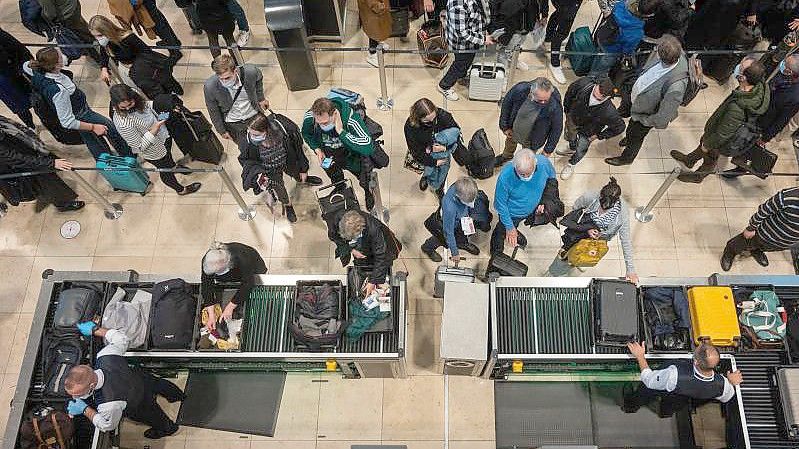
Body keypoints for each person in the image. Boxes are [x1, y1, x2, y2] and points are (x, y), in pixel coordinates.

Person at [65, 322, 184, 439]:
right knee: (160, 384)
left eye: (79, 394)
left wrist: (85, 410)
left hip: (138, 403)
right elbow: (121, 338)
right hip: (140, 378)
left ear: (91, 385)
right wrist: (95, 330)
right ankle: (178, 395)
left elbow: (108, 426)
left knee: (155, 416)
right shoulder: (105, 355)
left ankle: (169, 429)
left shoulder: (108, 405)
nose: (76, 397)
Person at [671, 58, 769, 183]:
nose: (738, 66)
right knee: (703, 143)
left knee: (710, 156)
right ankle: (690, 160)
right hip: (720, 128)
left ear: (743, 78)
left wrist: (708, 144)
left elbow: (722, 134)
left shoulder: (737, 108)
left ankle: (698, 176)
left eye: (741, 67)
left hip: (720, 139)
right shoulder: (757, 85)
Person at [24, 48, 133, 160]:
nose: (63, 55)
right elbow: (67, 122)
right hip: (81, 114)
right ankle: (128, 157)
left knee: (92, 139)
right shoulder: (59, 91)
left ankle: (108, 161)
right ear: (56, 65)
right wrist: (93, 126)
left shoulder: (36, 69)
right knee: (109, 129)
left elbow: (25, 65)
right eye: (60, 56)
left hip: (79, 110)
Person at [606, 34, 688, 166]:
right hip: (636, 100)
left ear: (663, 57)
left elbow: (663, 117)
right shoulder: (672, 53)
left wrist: (645, 121)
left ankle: (626, 158)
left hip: (645, 115)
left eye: (657, 51)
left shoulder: (676, 87)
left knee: (636, 137)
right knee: (631, 130)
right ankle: (629, 136)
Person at [109, 85, 202, 196]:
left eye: (130, 104)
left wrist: (166, 107)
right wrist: (155, 128)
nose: (128, 108)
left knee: (168, 157)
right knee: (165, 170)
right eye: (123, 108)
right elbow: (139, 146)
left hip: (163, 135)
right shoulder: (123, 123)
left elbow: (147, 105)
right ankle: (181, 190)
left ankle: (174, 167)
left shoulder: (134, 93)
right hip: (153, 150)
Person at [546, 177, 638, 282]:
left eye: (607, 208)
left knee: (585, 259)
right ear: (600, 195)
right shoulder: (590, 197)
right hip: (578, 234)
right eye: (602, 205)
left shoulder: (622, 214)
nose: (603, 209)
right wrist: (587, 228)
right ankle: (553, 273)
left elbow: (626, 241)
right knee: (564, 256)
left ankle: (575, 267)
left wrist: (630, 269)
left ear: (616, 201)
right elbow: (576, 209)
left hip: (597, 241)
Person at [723, 55, 799, 178]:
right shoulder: (783, 75)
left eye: (786, 64)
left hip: (764, 122)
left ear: (791, 72)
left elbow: (782, 120)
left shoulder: (795, 97)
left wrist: (766, 138)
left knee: (748, 144)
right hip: (757, 109)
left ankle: (740, 168)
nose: (782, 63)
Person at [238, 114, 322, 223]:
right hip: (270, 171)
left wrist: (303, 169)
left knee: (298, 174)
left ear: (266, 130)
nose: (252, 136)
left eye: (256, 134)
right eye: (250, 132)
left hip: (288, 161)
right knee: (280, 189)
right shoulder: (248, 143)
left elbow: (298, 149)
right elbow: (248, 162)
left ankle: (301, 179)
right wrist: (259, 176)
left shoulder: (282, 130)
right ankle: (288, 205)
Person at [623, 341, 742, 415]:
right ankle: (664, 414)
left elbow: (649, 380)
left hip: (667, 389)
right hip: (681, 401)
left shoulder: (674, 374)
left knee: (644, 393)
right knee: (670, 408)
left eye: (699, 348)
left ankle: (631, 406)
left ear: (695, 361)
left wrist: (640, 356)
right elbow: (726, 398)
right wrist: (729, 381)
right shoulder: (724, 386)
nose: (699, 345)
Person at [301, 97, 376, 209]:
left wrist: (341, 131)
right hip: (329, 156)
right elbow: (306, 134)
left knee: (365, 178)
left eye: (326, 122)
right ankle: (340, 186)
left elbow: (368, 145)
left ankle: (368, 193)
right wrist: (317, 149)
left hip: (352, 157)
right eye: (319, 123)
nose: (323, 126)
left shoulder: (350, 119)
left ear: (335, 113)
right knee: (335, 176)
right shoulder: (311, 117)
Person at [0, 115, 84, 212]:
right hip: (19, 165)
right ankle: (63, 204)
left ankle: (60, 200)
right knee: (46, 182)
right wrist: (50, 163)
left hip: (25, 151)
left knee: (48, 177)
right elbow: (16, 158)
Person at [89, 15, 183, 99]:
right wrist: (104, 68)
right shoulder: (106, 42)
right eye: (95, 36)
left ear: (107, 31)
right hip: (128, 69)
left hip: (144, 65)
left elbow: (146, 51)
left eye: (100, 35)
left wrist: (137, 68)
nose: (98, 39)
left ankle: (172, 93)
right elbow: (104, 53)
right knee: (147, 90)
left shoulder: (128, 37)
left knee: (162, 81)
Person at [557, 76, 625, 179]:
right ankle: (571, 147)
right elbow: (570, 92)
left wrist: (599, 135)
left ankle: (571, 164)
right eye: (597, 90)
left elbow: (620, 127)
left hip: (588, 132)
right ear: (596, 84)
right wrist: (567, 111)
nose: (598, 95)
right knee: (570, 136)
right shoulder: (583, 84)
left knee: (581, 149)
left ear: (608, 97)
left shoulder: (610, 112)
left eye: (602, 96)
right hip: (573, 119)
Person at [491, 148, 557, 255]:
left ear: (535, 163)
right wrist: (510, 227)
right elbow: (500, 205)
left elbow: (552, 179)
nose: (526, 177)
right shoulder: (505, 177)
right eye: (522, 174)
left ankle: (514, 230)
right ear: (514, 166)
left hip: (532, 209)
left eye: (529, 173)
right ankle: (496, 248)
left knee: (515, 225)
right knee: (502, 228)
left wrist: (545, 200)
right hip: (512, 214)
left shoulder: (543, 163)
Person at [721, 187, 799, 271]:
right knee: (742, 243)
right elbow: (764, 210)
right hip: (764, 234)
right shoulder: (787, 197)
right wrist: (751, 227)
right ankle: (729, 252)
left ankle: (756, 250)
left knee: (765, 247)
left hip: (785, 242)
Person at [496, 77, 563, 166]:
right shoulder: (519, 90)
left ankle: (522, 166)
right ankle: (506, 156)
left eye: (546, 100)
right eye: (540, 100)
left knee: (527, 158)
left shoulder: (554, 104)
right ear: (531, 93)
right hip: (513, 131)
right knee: (510, 144)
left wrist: (548, 150)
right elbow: (506, 106)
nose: (543, 103)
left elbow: (557, 128)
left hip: (533, 139)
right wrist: (505, 127)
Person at [421, 177, 492, 261]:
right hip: (448, 223)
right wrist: (455, 253)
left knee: (463, 235)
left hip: (461, 217)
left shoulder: (463, 184)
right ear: (458, 196)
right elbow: (449, 233)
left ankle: (462, 243)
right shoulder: (449, 208)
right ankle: (427, 247)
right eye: (468, 201)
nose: (472, 204)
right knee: (440, 238)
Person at [204, 54, 270, 145]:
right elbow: (213, 110)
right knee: (245, 148)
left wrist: (261, 98)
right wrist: (221, 130)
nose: (224, 82)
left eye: (227, 78)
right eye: (221, 79)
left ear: (235, 71)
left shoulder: (250, 72)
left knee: (265, 142)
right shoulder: (210, 86)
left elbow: (259, 78)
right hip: (234, 124)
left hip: (254, 116)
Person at [201, 242, 267, 330]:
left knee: (257, 277)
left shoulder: (242, 257)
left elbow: (248, 283)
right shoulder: (208, 261)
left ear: (228, 263)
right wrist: (211, 315)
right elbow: (206, 284)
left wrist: (230, 307)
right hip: (233, 273)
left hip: (252, 266)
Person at [332, 209, 401, 294]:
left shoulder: (374, 229)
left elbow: (382, 256)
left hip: (382, 246)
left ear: (361, 228)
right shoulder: (339, 219)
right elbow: (333, 236)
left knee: (382, 266)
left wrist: (373, 281)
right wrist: (351, 250)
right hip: (362, 248)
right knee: (362, 267)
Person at [438, 0, 494, 101]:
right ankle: (444, 86)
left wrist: (484, 31)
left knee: (467, 61)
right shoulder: (458, 6)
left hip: (471, 41)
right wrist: (483, 39)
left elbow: (480, 13)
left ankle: (461, 76)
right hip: (461, 44)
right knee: (460, 64)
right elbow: (461, 33)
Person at [404, 98, 464, 193]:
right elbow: (416, 151)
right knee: (428, 169)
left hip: (443, 150)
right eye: (427, 121)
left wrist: (445, 148)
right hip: (425, 153)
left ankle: (439, 186)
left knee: (443, 171)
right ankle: (426, 177)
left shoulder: (443, 115)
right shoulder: (411, 127)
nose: (432, 122)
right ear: (418, 118)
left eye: (434, 118)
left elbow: (456, 133)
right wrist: (434, 162)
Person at [590, 0, 654, 77]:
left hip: (602, 36)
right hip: (611, 50)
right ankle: (591, 79)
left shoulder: (621, 5)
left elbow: (613, 10)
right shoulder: (636, 32)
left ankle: (591, 67)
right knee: (601, 69)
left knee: (597, 55)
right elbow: (627, 51)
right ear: (648, 16)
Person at [488, 0, 548, 71]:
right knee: (506, 47)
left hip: (528, 17)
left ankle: (513, 59)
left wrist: (544, 14)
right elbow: (493, 5)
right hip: (508, 20)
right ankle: (503, 69)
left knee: (520, 40)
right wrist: (492, 27)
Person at [0, 28, 35, 129]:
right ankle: (31, 126)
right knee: (21, 105)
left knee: (24, 103)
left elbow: (14, 47)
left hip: (13, 72)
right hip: (11, 73)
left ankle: (32, 125)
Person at [545, 0, 583, 84]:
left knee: (558, 14)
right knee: (561, 33)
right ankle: (554, 63)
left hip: (567, 5)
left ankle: (548, 39)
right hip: (568, 4)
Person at [358, 0, 392, 68]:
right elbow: (372, 3)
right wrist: (380, 6)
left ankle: (379, 42)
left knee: (379, 29)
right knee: (373, 31)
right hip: (372, 11)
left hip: (377, 9)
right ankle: (372, 54)